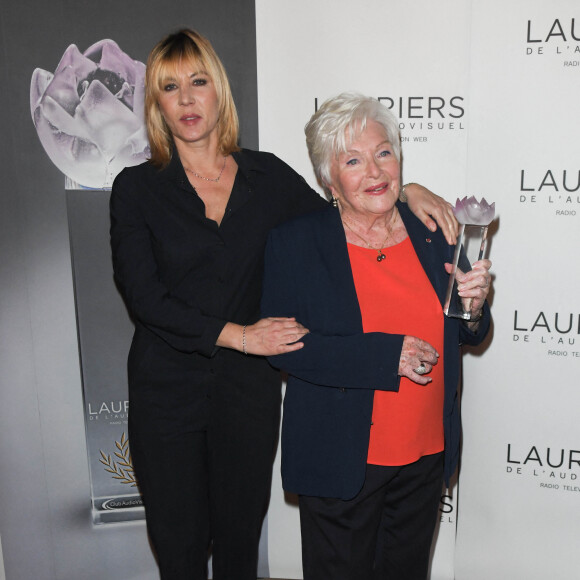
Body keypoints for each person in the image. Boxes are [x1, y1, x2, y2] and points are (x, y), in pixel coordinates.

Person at [110, 29, 460, 580]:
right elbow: (145, 298)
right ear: (155, 103)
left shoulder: (266, 175)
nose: (185, 99)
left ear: (218, 92)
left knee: (239, 546)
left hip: (245, 396)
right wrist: (242, 335)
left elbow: (341, 196)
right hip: (168, 393)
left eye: (198, 82)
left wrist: (407, 190)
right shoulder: (136, 189)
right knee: (179, 549)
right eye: (169, 87)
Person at [261, 92, 492, 580]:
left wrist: (473, 308)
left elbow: (470, 331)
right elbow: (285, 346)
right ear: (329, 178)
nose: (375, 172)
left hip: (424, 457)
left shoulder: (436, 231)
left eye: (383, 152)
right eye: (353, 160)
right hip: (341, 460)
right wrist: (385, 356)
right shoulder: (296, 243)